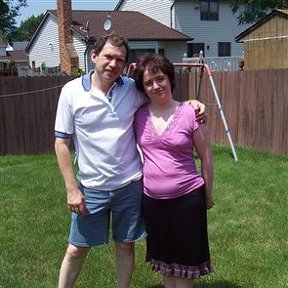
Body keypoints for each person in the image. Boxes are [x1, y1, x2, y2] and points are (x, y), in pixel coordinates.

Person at [54, 33, 207, 288]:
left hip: (130, 185)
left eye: (120, 60)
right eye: (108, 57)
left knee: (125, 246)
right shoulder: (71, 92)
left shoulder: (132, 89)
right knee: (76, 248)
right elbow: (61, 143)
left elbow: (163, 98)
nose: (114, 64)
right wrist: (71, 189)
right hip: (91, 188)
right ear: (94, 56)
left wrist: (192, 104)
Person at [133, 53, 214, 288]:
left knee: (185, 266)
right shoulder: (138, 115)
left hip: (187, 199)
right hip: (153, 201)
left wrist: (207, 194)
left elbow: (206, 158)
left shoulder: (191, 113)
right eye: (149, 83)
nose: (156, 86)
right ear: (143, 89)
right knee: (166, 262)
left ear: (169, 78)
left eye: (160, 79)